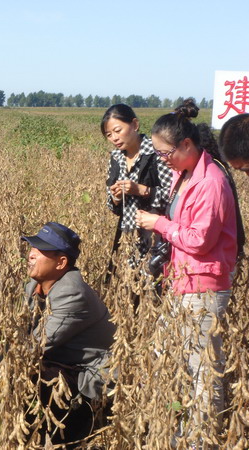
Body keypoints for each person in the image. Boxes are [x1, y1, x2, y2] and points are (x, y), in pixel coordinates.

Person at [136, 99, 238, 436]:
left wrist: (159, 224)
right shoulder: (186, 174)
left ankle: (201, 440)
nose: (164, 160)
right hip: (182, 283)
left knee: (203, 372)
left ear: (187, 145)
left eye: (166, 154)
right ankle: (176, 431)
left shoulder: (210, 183)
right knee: (167, 359)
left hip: (204, 288)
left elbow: (199, 241)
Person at [22, 222, 116, 442]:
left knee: (36, 375)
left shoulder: (72, 293)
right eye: (32, 247)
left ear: (61, 262)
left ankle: (68, 433)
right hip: (66, 366)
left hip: (90, 377)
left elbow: (36, 346)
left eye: (40, 250)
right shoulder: (32, 287)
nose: (31, 254)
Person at [101, 104, 172, 266]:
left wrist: (142, 190)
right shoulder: (115, 158)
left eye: (118, 131)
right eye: (109, 135)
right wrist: (116, 198)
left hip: (158, 239)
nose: (114, 138)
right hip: (129, 239)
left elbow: (174, 197)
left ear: (135, 125)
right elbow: (111, 206)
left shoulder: (156, 153)